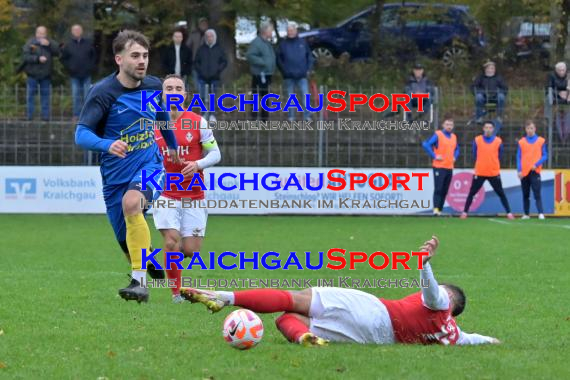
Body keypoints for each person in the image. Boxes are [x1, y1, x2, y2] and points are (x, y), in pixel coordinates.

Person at [180, 236, 500, 346]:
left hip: (374, 311)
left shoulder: (442, 302)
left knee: (297, 297)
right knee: (287, 318)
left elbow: (433, 295)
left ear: (451, 300)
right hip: (372, 338)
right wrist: (495, 341)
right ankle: (304, 338)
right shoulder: (453, 335)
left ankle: (224, 296)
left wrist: (425, 264)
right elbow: (478, 339)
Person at [74, 30, 179, 303]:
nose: (142, 61)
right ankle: (145, 259)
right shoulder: (103, 93)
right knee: (125, 240)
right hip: (114, 177)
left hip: (151, 165)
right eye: (135, 56)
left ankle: (139, 284)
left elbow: (161, 115)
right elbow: (81, 134)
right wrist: (107, 145)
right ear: (119, 59)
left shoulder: (153, 86)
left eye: (145, 55)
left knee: (132, 204)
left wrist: (171, 144)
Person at [153, 74, 221, 303]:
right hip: (165, 194)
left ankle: (165, 257)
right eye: (168, 88)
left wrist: (197, 164)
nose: (173, 92)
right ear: (162, 94)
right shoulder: (154, 124)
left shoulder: (198, 122)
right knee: (172, 240)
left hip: (194, 195)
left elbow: (215, 153)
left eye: (178, 88)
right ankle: (176, 293)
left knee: (190, 249)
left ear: (184, 95)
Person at [461, 121, 513, 219]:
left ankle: (509, 213)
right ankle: (464, 212)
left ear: (493, 129)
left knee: (501, 193)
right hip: (480, 172)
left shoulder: (498, 141)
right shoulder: (477, 140)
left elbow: (500, 155)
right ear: (483, 129)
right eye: (486, 127)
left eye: (490, 127)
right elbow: (474, 154)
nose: (488, 129)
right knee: (472, 193)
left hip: (493, 172)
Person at [422, 115, 459, 216]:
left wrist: (455, 157)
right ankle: (436, 209)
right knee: (438, 188)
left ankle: (440, 210)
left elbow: (457, 149)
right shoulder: (438, 135)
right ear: (443, 125)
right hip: (439, 166)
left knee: (445, 189)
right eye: (447, 124)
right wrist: (434, 155)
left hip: (449, 167)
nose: (449, 126)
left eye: (451, 125)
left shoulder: (454, 137)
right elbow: (425, 144)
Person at [276, 22, 314, 121]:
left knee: (305, 96)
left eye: (292, 30)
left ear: (296, 31)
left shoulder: (303, 43)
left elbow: (309, 57)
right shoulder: (283, 44)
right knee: (289, 97)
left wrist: (309, 69)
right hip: (288, 76)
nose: (290, 32)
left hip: (302, 75)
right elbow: (279, 59)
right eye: (289, 30)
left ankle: (307, 116)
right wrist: (284, 71)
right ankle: (291, 116)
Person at [22, 25, 59, 121]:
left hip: (46, 75)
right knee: (30, 96)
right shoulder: (30, 43)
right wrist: (37, 59)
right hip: (32, 75)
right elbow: (25, 57)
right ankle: (29, 116)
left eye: (43, 33)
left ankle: (45, 117)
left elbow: (58, 51)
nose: (41, 35)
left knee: (45, 97)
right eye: (39, 32)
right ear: (36, 33)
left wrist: (49, 45)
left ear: (46, 34)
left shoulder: (50, 42)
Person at [61, 24, 97, 120]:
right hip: (74, 75)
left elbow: (94, 56)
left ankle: (87, 115)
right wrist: (69, 68)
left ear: (82, 31)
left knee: (87, 95)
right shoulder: (68, 45)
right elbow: (63, 58)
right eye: (75, 30)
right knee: (75, 96)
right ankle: (76, 115)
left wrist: (91, 67)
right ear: (72, 32)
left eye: (78, 30)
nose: (77, 32)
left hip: (86, 74)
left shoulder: (88, 43)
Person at [194, 29, 227, 121]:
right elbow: (196, 62)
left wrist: (218, 70)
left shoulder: (219, 49)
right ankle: (204, 113)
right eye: (207, 36)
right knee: (202, 96)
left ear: (214, 37)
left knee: (213, 96)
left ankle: (212, 114)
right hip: (202, 77)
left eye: (211, 36)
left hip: (215, 77)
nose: (209, 38)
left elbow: (224, 62)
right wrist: (200, 71)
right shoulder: (201, 49)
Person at [517, 120, 547, 220]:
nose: (530, 130)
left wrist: (537, 164)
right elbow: (518, 157)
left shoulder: (541, 140)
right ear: (525, 129)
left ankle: (541, 213)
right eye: (528, 128)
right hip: (524, 172)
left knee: (537, 193)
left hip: (535, 171)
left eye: (532, 128)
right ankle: (526, 214)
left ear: (535, 129)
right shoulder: (521, 142)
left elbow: (545, 155)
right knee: (525, 194)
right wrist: (519, 170)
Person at [246, 22, 276, 121]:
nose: (272, 32)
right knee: (256, 95)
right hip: (259, 74)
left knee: (265, 95)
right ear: (265, 31)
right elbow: (250, 56)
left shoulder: (267, 43)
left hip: (267, 73)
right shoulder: (256, 42)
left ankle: (264, 117)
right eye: (270, 30)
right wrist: (263, 62)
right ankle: (254, 117)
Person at [186, 17, 209, 91]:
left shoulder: (210, 35)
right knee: (196, 81)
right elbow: (187, 46)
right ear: (199, 25)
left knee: (205, 82)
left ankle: (204, 97)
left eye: (205, 23)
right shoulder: (194, 34)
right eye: (202, 23)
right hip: (194, 60)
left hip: (206, 62)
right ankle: (199, 96)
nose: (203, 25)